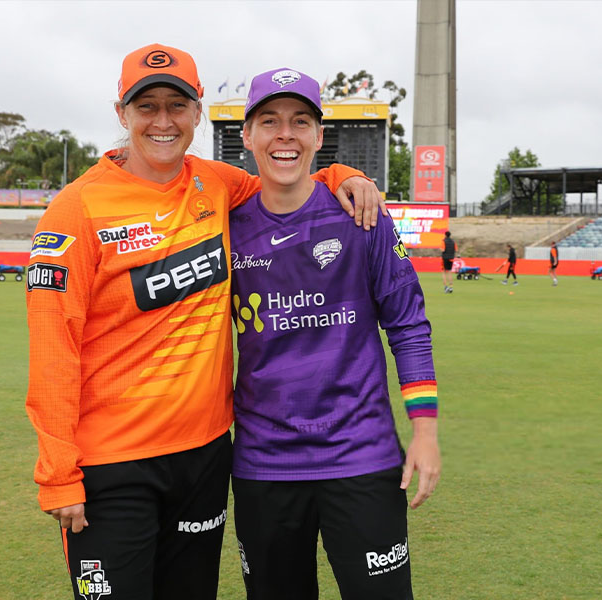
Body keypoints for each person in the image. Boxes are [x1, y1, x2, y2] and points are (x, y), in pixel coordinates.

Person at [25, 44, 384, 600]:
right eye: (146, 107)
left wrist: (343, 173)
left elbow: (289, 181)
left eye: (177, 106)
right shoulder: (76, 209)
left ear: (198, 112)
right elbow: (53, 348)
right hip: (111, 465)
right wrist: (57, 473)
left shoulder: (217, 183)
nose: (163, 121)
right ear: (122, 114)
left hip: (205, 456)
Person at [228, 67, 440, 600]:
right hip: (264, 463)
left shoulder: (361, 216)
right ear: (247, 135)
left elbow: (408, 324)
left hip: (361, 456)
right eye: (269, 121)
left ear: (319, 136)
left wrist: (425, 431)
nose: (286, 134)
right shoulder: (224, 227)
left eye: (301, 121)